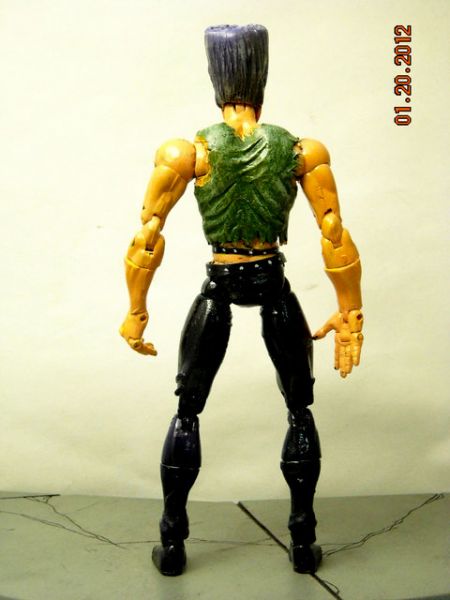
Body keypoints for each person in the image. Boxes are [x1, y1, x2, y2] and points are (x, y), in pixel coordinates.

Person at [120, 24, 363, 576]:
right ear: (263, 77)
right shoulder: (301, 151)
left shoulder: (189, 153)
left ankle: (173, 543)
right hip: (273, 280)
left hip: (222, 283)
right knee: (299, 407)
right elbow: (334, 232)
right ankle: (302, 542)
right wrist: (352, 311)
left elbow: (147, 236)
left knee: (188, 410)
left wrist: (136, 310)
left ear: (215, 77)